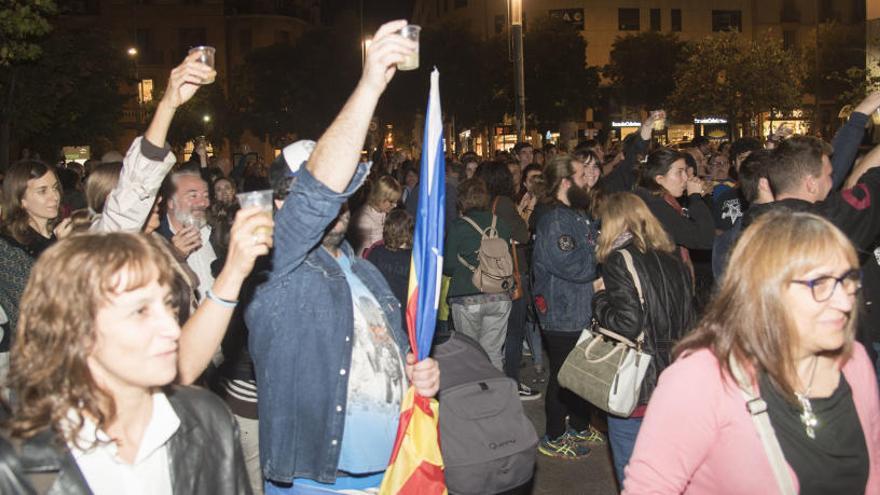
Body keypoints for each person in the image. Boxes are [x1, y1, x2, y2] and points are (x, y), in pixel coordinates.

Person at [245, 20, 440, 494]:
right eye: (315, 193)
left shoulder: (366, 272)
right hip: (319, 480)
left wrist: (421, 372)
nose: (336, 204)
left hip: (394, 470)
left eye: (343, 194)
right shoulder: (275, 267)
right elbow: (317, 195)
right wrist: (372, 81)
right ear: (279, 204)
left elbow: (395, 354)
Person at [624, 211, 880, 494]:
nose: (845, 301)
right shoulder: (703, 379)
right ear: (766, 291)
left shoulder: (854, 361)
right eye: (819, 284)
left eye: (847, 280)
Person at [4, 233, 251, 494]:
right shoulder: (26, 463)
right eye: (140, 311)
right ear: (76, 331)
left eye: (168, 305)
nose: (172, 329)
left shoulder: (208, 419)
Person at [591, 192, 694, 486]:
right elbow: (689, 320)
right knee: (669, 471)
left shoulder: (618, 261)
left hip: (636, 382)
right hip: (673, 376)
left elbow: (627, 323)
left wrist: (598, 298)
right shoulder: (674, 259)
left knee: (634, 474)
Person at [531, 154, 604, 459]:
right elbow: (571, 264)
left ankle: (579, 424)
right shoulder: (556, 220)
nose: (587, 179)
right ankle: (553, 435)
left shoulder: (576, 213)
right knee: (564, 376)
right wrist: (600, 263)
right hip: (561, 311)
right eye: (580, 174)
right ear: (565, 182)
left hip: (579, 308)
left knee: (582, 372)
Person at [477, 162, 540, 399]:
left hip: (487, 274)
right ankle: (512, 382)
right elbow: (521, 235)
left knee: (490, 334)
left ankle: (488, 383)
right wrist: (527, 211)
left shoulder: (480, 203)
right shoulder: (502, 203)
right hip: (510, 274)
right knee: (514, 331)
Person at [444, 178, 514, 371]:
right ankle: (497, 397)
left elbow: (448, 267)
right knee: (493, 352)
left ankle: (475, 398)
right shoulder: (501, 224)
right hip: (500, 294)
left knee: (469, 353)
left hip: (467, 297)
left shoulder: (458, 226)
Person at [157, 168, 216, 301]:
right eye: (193, 196)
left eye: (206, 196)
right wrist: (174, 255)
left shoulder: (215, 234)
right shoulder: (154, 242)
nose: (203, 203)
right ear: (171, 202)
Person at [366, 209, 414, 325]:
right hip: (402, 317)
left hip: (379, 314)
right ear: (410, 231)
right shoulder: (414, 259)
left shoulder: (376, 252)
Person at [350, 175, 402, 256]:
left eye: (396, 201)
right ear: (380, 197)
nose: (395, 205)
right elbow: (363, 255)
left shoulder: (382, 212)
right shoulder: (364, 220)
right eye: (391, 201)